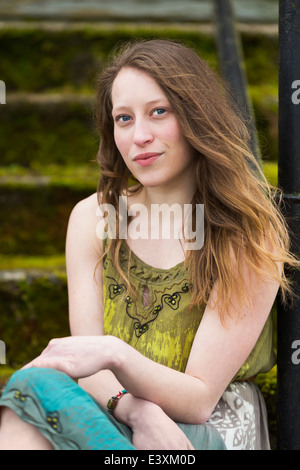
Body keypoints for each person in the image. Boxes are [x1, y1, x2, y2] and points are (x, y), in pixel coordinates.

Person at [0, 39, 298, 451]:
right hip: (116, 410)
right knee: (30, 406)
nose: (139, 135)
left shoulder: (244, 230)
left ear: (196, 115)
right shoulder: (94, 218)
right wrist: (134, 409)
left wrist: (113, 353)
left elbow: (198, 399)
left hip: (206, 429)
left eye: (159, 112)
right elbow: (89, 372)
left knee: (30, 395)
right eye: (123, 119)